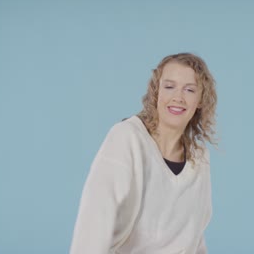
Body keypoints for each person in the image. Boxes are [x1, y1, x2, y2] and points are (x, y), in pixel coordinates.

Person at [69, 52, 217, 254]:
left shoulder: (199, 157)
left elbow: (196, 235)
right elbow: (95, 219)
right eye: (169, 86)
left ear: (200, 99)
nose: (178, 97)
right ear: (156, 92)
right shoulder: (127, 138)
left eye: (189, 90)